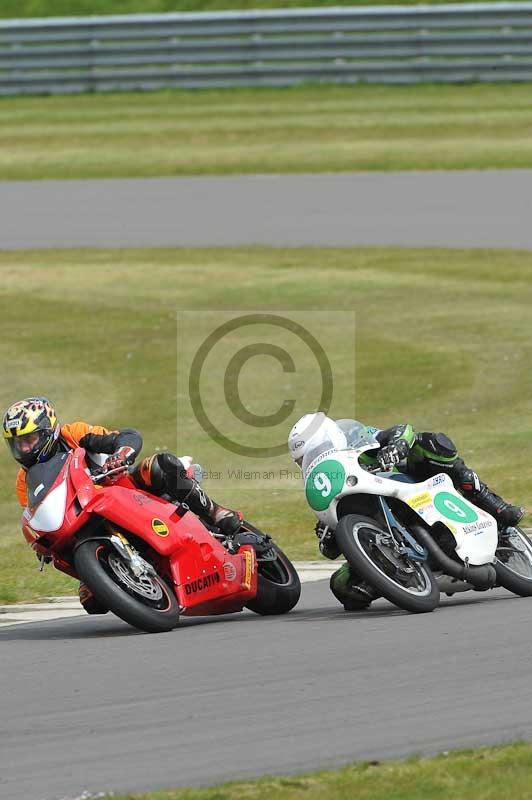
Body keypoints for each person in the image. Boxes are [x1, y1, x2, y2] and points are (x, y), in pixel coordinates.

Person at [3, 397, 241, 613]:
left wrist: (121, 454)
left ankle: (214, 512)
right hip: (83, 521)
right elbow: (41, 515)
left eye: (29, 440)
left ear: (49, 431)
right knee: (91, 600)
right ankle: (106, 572)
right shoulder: (24, 482)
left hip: (125, 489)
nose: (24, 449)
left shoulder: (74, 434)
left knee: (159, 467)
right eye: (17, 444)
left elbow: (126, 437)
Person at [288, 412, 525, 611]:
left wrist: (397, 446)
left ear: (332, 437)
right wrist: (330, 534)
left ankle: (491, 502)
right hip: (390, 542)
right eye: (303, 460)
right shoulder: (327, 485)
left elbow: (404, 430)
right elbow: (332, 551)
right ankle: (404, 578)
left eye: (317, 449)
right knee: (342, 586)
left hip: (413, 488)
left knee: (430, 444)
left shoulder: (360, 438)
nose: (311, 461)